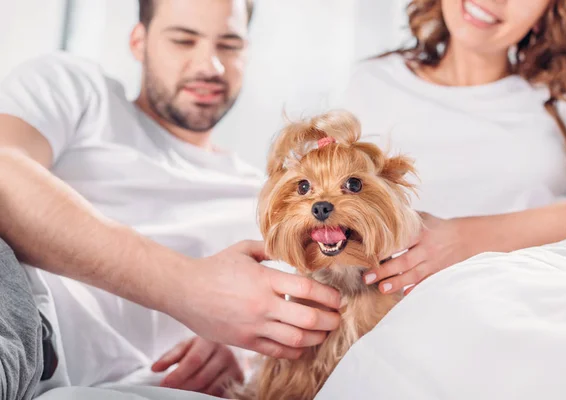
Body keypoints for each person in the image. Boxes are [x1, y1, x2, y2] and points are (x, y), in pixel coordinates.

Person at [0, 0, 342, 398]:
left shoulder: (274, 200)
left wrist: (244, 357)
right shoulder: (77, 91)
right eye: (184, 40)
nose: (210, 66)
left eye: (229, 45)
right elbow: (4, 175)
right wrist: (190, 289)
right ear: (138, 42)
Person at [334, 0, 566, 295]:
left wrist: (467, 238)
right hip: (396, 313)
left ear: (547, 12)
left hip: (531, 298)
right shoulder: (373, 84)